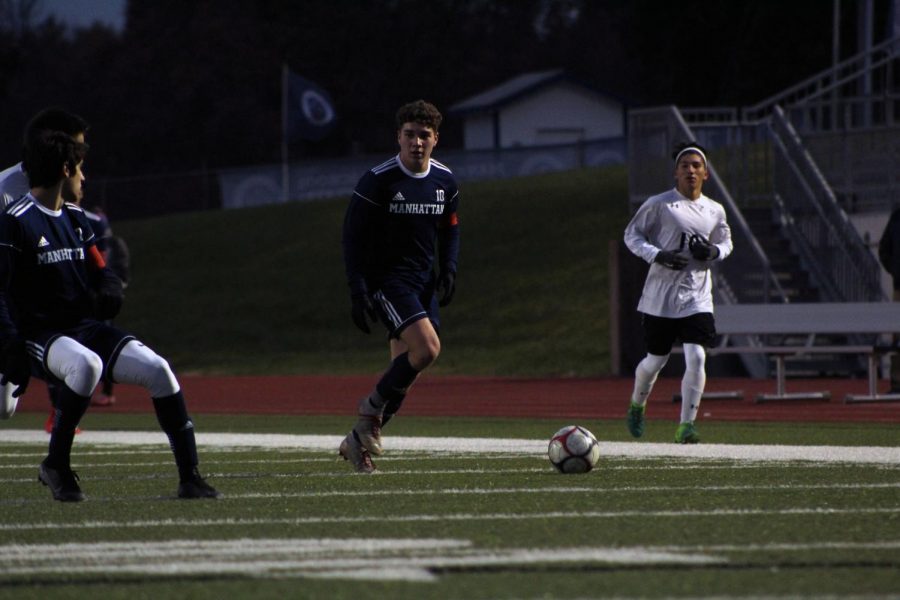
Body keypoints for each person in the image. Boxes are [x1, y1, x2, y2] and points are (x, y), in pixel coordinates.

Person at [0, 130, 221, 502]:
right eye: (80, 169)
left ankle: (190, 477)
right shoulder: (15, 221)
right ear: (65, 168)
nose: (84, 178)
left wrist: (110, 286)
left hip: (85, 328)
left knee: (158, 369)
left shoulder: (75, 218)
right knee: (86, 366)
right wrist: (10, 346)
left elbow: (100, 268)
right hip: (40, 335)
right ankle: (56, 465)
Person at [339, 100, 460, 473]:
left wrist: (449, 267)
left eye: (424, 135)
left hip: (422, 285)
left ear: (435, 139)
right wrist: (358, 289)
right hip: (388, 283)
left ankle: (357, 444)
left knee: (402, 376)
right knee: (426, 350)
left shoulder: (445, 180)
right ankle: (369, 410)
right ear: (399, 137)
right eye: (409, 135)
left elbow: (451, 228)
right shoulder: (379, 180)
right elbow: (352, 235)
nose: (416, 142)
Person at [622, 142, 733, 444]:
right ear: (675, 173)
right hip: (660, 297)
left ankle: (686, 425)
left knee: (696, 357)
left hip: (697, 297)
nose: (691, 170)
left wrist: (712, 251)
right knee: (655, 361)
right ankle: (637, 404)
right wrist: (657, 255)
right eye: (685, 166)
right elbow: (631, 235)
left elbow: (726, 243)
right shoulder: (659, 204)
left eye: (696, 165)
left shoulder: (715, 209)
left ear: (706, 174)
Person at [0, 108, 91, 431]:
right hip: (7, 312)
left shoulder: (64, 200)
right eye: (74, 150)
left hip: (30, 316)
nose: (79, 163)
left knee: (5, 407)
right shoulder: (7, 190)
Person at [878, 207, 900, 393]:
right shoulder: (897, 216)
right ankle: (898, 382)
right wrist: (896, 271)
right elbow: (884, 249)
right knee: (898, 336)